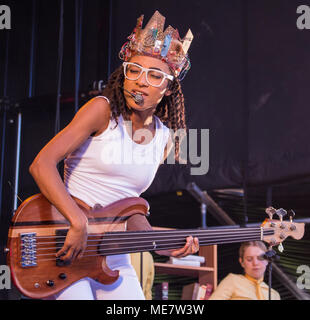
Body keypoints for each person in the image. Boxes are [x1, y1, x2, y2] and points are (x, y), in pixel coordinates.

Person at [29, 10, 198, 300]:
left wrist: (160, 244)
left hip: (112, 255)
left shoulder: (165, 139)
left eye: (155, 75)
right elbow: (41, 164)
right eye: (134, 70)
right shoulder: (102, 110)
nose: (141, 81)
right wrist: (77, 221)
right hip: (65, 240)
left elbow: (129, 207)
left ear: (169, 88)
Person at [209, 241, 281, 300]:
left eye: (260, 258)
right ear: (242, 262)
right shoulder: (233, 281)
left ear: (267, 260)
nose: (255, 263)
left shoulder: (274, 295)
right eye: (249, 259)